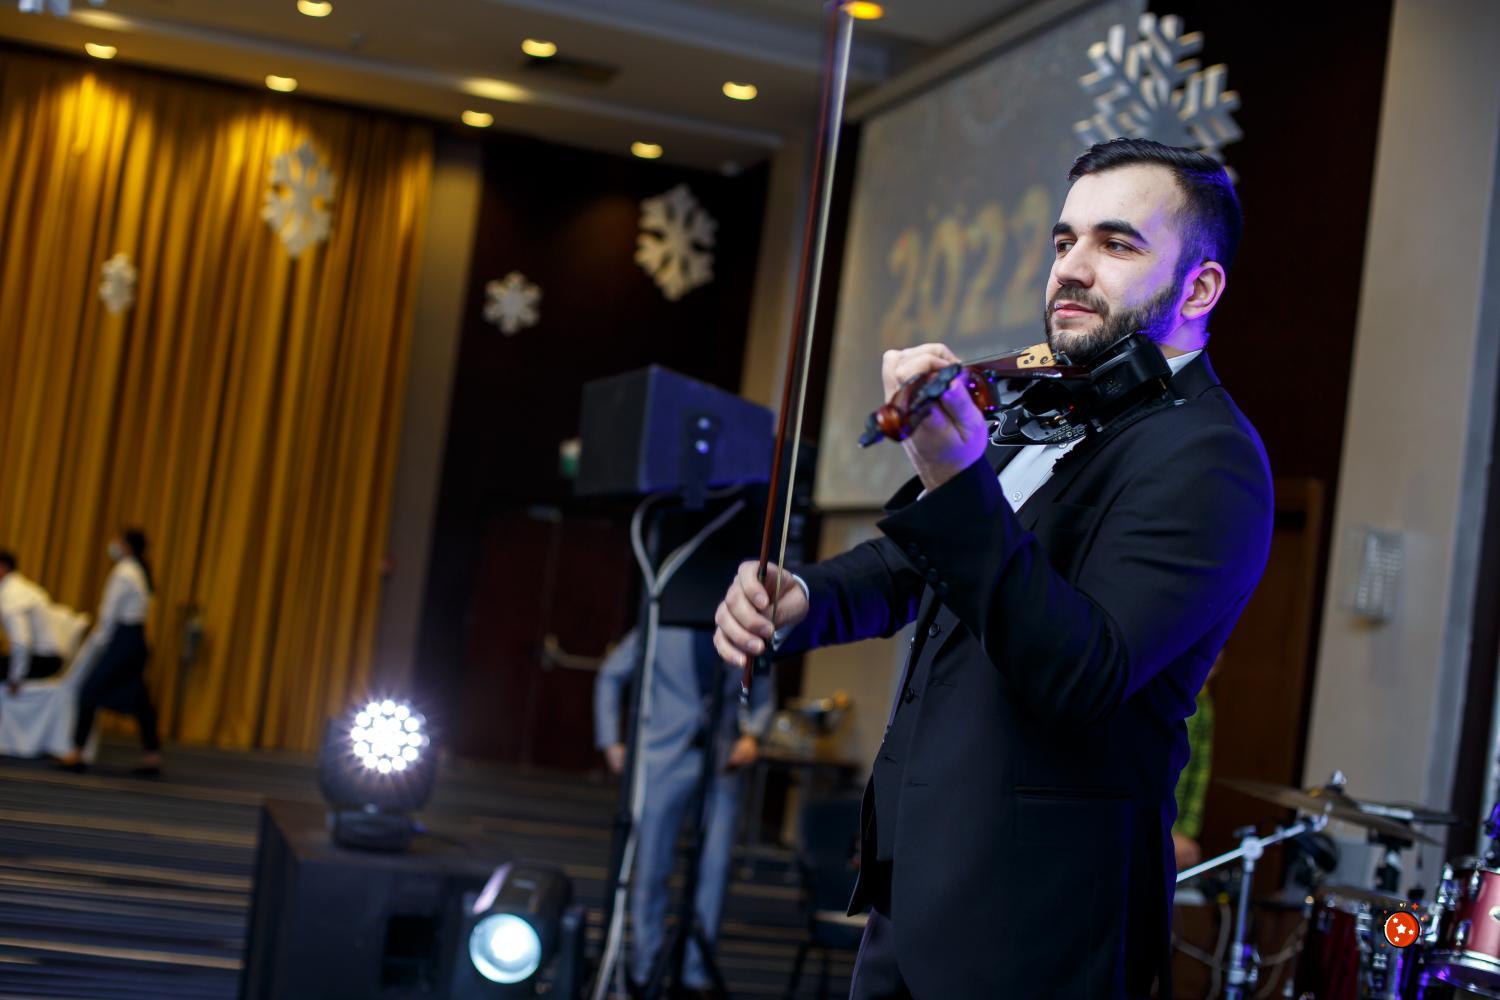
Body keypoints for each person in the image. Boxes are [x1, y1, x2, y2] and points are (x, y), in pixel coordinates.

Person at [713, 138, 1274, 998]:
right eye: (1065, 240)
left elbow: (1083, 672)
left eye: (1116, 244)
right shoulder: (1048, 400)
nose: (1071, 269)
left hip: (1036, 926)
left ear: (1198, 289)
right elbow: (912, 564)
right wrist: (803, 598)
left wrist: (958, 479)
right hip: (916, 893)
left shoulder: (1209, 457)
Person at [594, 624, 771, 998]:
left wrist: (754, 734)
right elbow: (610, 674)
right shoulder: (661, 622)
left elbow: (764, 687)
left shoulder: (742, 623)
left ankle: (695, 973)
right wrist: (611, 741)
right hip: (663, 760)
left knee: (715, 869)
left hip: (721, 763)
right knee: (652, 868)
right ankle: (646, 966)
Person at [57, 529, 161, 774]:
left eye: (118, 541)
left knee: (89, 691)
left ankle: (77, 751)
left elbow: (108, 614)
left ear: (126, 546)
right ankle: (152, 754)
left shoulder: (123, 572)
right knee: (139, 698)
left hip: (123, 639)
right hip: (135, 639)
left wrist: (94, 647)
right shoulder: (138, 570)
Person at [1172, 652, 1223, 871]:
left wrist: (1186, 830)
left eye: (1216, 666)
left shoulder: (1204, 706)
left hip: (1178, 819)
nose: (1209, 672)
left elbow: (1200, 772)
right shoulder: (1168, 698)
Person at [0, 551, 68, 694]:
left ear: (2, 568)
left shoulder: (10, 596)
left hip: (43, 662)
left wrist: (15, 677)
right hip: (51, 659)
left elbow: (21, 641)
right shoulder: (22, 588)